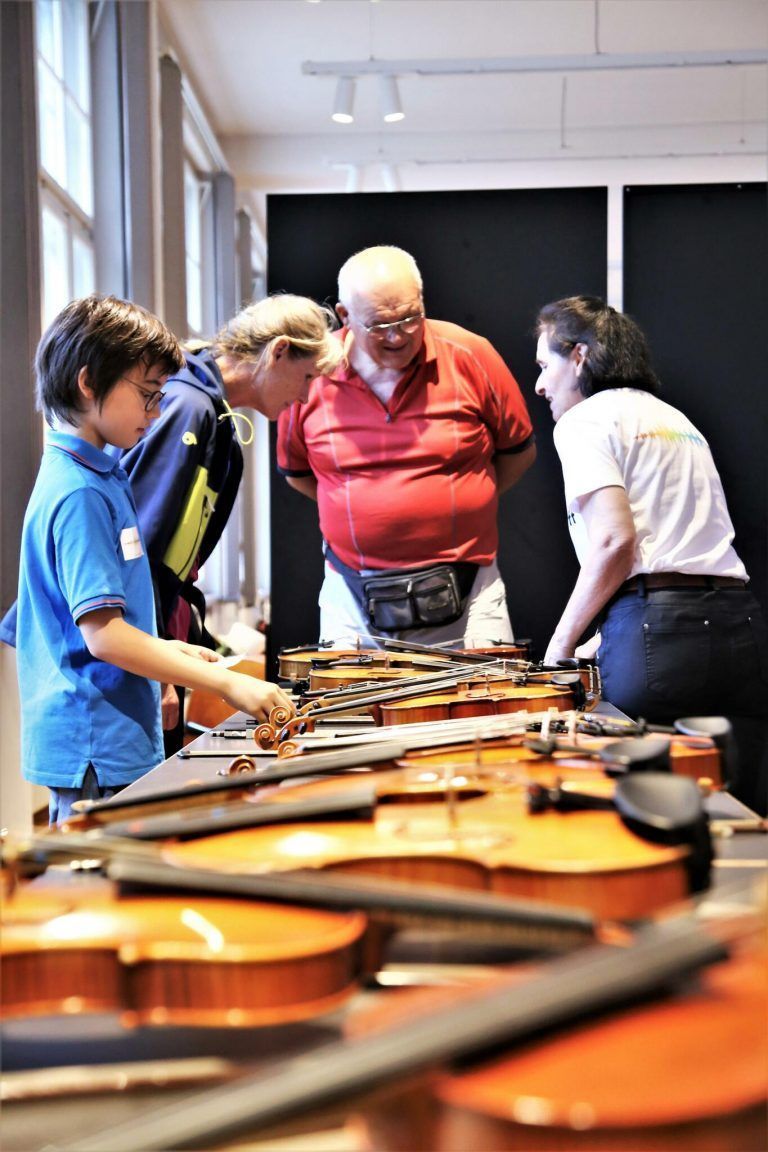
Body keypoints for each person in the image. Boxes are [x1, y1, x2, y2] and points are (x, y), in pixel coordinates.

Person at [15, 294, 294, 824]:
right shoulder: (79, 492)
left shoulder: (103, 472)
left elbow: (105, 623)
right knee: (94, 891)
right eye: (147, 395)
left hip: (114, 730)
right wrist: (227, 684)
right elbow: (103, 636)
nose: (157, 411)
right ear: (89, 382)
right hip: (95, 740)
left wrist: (175, 654)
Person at [534, 295, 768, 813]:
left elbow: (617, 542)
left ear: (578, 357)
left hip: (660, 639)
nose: (540, 385)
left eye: (544, 365)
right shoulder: (676, 419)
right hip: (741, 631)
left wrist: (561, 646)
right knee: (746, 820)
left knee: (654, 814)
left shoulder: (584, 420)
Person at [108, 292, 342, 753]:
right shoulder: (188, 408)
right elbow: (137, 550)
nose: (307, 395)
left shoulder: (209, 412)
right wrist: (158, 673)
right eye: (308, 376)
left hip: (150, 639)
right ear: (278, 352)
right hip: (126, 648)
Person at [277, 245, 536, 649]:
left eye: (410, 317)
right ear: (345, 316)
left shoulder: (472, 355)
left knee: (489, 710)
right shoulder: (313, 373)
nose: (398, 336)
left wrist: (465, 499)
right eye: (380, 325)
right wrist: (355, 506)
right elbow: (297, 474)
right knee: (349, 712)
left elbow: (518, 451)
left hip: (471, 594)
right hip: (351, 594)